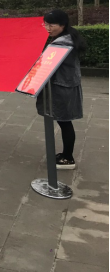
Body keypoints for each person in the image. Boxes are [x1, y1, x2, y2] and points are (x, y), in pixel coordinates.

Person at [37, 10, 86, 170]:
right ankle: (65, 154)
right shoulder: (68, 37)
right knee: (64, 122)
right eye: (46, 24)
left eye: (52, 25)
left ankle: (68, 159)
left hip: (62, 88)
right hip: (67, 85)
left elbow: (46, 64)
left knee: (65, 123)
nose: (48, 28)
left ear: (63, 25)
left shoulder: (62, 43)